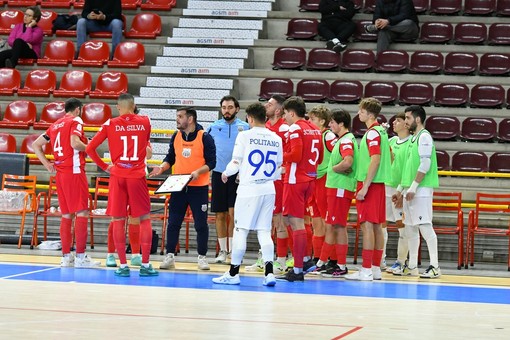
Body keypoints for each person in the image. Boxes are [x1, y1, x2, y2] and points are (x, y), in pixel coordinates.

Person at [86, 93, 158, 277]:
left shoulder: (110, 123)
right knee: (144, 219)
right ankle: (145, 264)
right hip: (137, 175)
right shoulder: (145, 121)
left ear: (118, 107)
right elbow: (147, 147)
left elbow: (89, 148)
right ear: (134, 106)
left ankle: (122, 265)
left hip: (118, 175)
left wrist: (105, 166)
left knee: (118, 220)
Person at [212, 103, 283, 286]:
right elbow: (278, 168)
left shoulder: (244, 136)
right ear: (265, 118)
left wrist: (226, 173)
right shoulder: (276, 138)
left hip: (249, 189)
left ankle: (234, 273)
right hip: (269, 188)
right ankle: (269, 273)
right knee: (265, 231)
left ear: (250, 118)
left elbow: (236, 162)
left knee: (241, 230)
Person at [32, 98, 100, 268]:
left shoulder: (55, 125)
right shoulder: (76, 120)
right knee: (82, 213)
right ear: (78, 109)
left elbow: (36, 144)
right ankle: (81, 257)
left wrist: (47, 164)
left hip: (60, 174)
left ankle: (66, 257)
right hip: (74, 171)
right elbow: (75, 143)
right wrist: (90, 145)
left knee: (66, 214)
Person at [149, 107, 216, 271]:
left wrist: (198, 172)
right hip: (178, 186)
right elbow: (170, 157)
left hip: (198, 188)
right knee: (173, 223)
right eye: (177, 116)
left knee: (200, 224)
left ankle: (202, 257)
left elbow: (212, 162)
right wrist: (161, 168)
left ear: (190, 119)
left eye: (180, 116)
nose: (177, 119)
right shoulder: (176, 136)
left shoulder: (205, 137)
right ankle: (169, 256)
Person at [276, 96, 323, 282]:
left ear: (292, 112)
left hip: (296, 180)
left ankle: (297, 269)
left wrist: (280, 156)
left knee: (295, 222)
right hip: (311, 178)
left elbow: (295, 155)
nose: (285, 118)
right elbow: (318, 158)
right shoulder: (315, 129)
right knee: (296, 220)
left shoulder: (296, 128)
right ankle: (302, 260)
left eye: (286, 114)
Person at [345, 97, 391, 281]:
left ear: (370, 114)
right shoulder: (382, 131)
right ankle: (375, 268)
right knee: (377, 227)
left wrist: (365, 186)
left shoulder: (372, 133)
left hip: (370, 184)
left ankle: (366, 269)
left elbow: (376, 159)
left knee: (367, 226)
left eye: (361, 111)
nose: (358, 114)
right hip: (379, 184)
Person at [392, 105, 441, 278]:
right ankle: (412, 265)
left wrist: (413, 187)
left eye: (408, 118)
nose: (406, 121)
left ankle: (435, 266)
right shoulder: (413, 139)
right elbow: (408, 168)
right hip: (410, 189)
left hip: (421, 190)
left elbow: (425, 164)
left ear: (418, 119)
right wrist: (400, 189)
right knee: (410, 228)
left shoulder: (424, 137)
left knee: (425, 227)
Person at [207, 96, 249, 264]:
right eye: (224, 107)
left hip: (238, 175)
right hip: (218, 174)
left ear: (237, 109)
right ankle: (222, 251)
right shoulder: (213, 128)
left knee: (234, 214)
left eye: (230, 107)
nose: (227, 110)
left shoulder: (246, 128)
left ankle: (233, 251)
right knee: (220, 214)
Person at [320, 109, 358, 278]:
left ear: (341, 123)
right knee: (334, 225)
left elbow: (348, 161)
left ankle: (341, 265)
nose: (330, 125)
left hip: (341, 188)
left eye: (333, 122)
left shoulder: (346, 141)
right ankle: (323, 262)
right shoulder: (342, 140)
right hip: (336, 188)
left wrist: (335, 168)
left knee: (339, 226)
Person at [307, 105, 337, 270]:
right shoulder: (313, 135)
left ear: (323, 121)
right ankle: (318, 258)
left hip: (325, 181)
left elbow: (341, 154)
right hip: (313, 180)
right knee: (316, 223)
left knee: (328, 223)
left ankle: (332, 259)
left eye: (312, 119)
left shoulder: (328, 136)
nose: (309, 121)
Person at [384, 112, 411, 275]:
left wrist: (402, 191)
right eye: (394, 120)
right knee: (381, 224)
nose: (394, 123)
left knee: (402, 227)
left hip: (399, 189)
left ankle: (402, 262)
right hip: (385, 187)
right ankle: (380, 260)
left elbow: (409, 169)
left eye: (398, 121)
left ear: (406, 125)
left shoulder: (410, 143)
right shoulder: (391, 140)